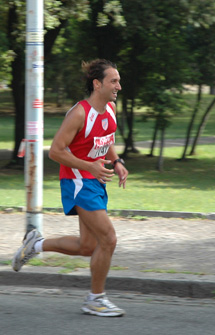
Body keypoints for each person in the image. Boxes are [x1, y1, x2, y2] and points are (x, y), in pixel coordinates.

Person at [11, 59, 129, 317]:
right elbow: (55, 152)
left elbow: (106, 138)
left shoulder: (110, 109)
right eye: (113, 81)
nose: (118, 85)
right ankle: (95, 299)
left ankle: (36, 245)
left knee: (88, 247)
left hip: (94, 181)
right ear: (97, 84)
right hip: (77, 183)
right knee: (108, 238)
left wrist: (116, 161)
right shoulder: (79, 113)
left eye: (118, 80)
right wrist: (89, 166)